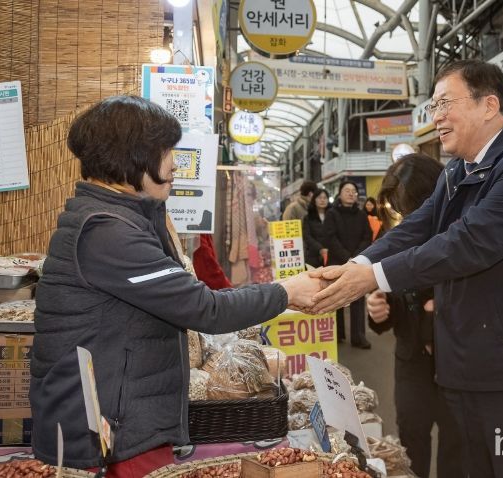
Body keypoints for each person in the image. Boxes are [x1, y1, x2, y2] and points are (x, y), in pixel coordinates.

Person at [310, 59, 503, 477]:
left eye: (445, 103)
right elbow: (417, 227)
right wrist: (356, 265)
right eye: (433, 106)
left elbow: (467, 243)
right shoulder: (456, 171)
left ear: (488, 105)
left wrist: (371, 278)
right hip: (467, 367)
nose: (435, 116)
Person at [29, 96, 321, 476]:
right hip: (110, 433)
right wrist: (286, 292)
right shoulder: (107, 233)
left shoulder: (121, 219)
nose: (175, 164)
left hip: (122, 422)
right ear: (134, 156)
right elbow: (205, 309)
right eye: (167, 152)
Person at [366, 154, 465, 478]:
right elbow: (390, 300)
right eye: (396, 209)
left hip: (458, 359)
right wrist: (379, 310)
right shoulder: (392, 236)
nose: (404, 217)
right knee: (411, 443)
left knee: (457, 448)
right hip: (411, 361)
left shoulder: (464, 231)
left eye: (407, 207)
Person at [325, 180, 373, 349]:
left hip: (358, 262)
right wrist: (347, 257)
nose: (351, 193)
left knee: (358, 298)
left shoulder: (361, 215)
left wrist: (356, 257)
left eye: (354, 191)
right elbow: (330, 238)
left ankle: (358, 336)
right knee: (336, 297)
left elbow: (367, 237)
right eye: (347, 190)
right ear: (340, 194)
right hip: (337, 262)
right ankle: (337, 334)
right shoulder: (332, 214)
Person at [303, 188, 331, 268]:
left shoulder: (333, 216)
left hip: (331, 255)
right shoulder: (308, 217)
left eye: (325, 198)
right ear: (314, 200)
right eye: (319, 198)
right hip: (313, 256)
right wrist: (320, 249)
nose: (322, 200)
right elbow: (307, 236)